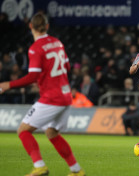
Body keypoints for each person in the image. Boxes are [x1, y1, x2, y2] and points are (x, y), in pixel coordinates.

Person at [0, 13, 85, 176]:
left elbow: (33, 76)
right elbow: (67, 68)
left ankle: (40, 167)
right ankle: (76, 171)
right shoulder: (57, 43)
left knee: (23, 131)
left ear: (30, 26)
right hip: (66, 96)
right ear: (47, 26)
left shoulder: (35, 48)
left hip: (51, 98)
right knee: (51, 133)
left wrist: (8, 85)